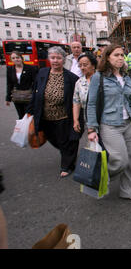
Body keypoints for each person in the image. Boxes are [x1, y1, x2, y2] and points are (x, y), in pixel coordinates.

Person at [87, 45, 131, 201]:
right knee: (120, 159)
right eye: (116, 55)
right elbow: (92, 103)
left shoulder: (126, 78)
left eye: (122, 55)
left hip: (127, 123)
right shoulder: (98, 77)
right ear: (107, 57)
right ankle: (101, 177)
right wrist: (91, 129)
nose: (120, 58)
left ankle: (130, 190)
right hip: (109, 125)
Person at [26, 46, 80, 178]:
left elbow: (75, 100)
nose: (55, 60)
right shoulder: (42, 73)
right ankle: (67, 154)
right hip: (45, 116)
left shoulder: (71, 78)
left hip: (63, 116)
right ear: (49, 59)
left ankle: (66, 165)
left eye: (58, 58)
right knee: (52, 139)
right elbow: (35, 92)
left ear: (63, 59)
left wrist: (76, 119)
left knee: (64, 141)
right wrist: (29, 111)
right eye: (52, 57)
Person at [5, 51, 38, 119]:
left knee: (29, 116)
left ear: (21, 58)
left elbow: (36, 82)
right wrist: (8, 98)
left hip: (29, 96)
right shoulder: (10, 69)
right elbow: (9, 84)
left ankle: (31, 129)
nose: (16, 59)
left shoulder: (31, 68)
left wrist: (34, 94)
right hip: (17, 97)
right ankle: (22, 129)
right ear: (11, 60)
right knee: (21, 116)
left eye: (17, 57)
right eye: (13, 58)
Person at [72, 53, 98, 134]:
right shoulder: (79, 83)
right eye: (80, 65)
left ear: (93, 66)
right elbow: (76, 102)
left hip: (106, 120)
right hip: (89, 121)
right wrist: (75, 120)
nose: (82, 68)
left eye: (85, 65)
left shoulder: (102, 79)